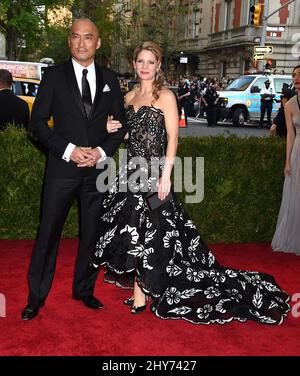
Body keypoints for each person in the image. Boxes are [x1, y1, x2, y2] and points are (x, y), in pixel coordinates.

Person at [92, 41, 290, 325]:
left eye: (151, 62)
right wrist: (113, 128)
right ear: (134, 64)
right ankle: (141, 287)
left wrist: (166, 176)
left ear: (158, 66)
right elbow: (128, 136)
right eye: (141, 61)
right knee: (133, 233)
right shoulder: (130, 96)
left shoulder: (166, 97)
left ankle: (141, 290)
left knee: (152, 235)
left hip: (153, 174)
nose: (145, 67)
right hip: (129, 173)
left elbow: (172, 139)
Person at [21, 18, 127, 321]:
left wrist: (100, 151)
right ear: (69, 41)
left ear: (98, 42)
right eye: (76, 37)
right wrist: (70, 150)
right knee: (47, 234)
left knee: (91, 234)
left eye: (88, 37)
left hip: (96, 171)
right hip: (61, 170)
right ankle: (36, 297)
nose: (82, 43)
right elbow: (37, 124)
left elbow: (119, 126)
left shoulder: (110, 78)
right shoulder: (53, 76)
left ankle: (84, 290)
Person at [271, 65, 300, 255]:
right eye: (294, 75)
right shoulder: (289, 105)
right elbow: (290, 135)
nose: (296, 78)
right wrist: (287, 161)